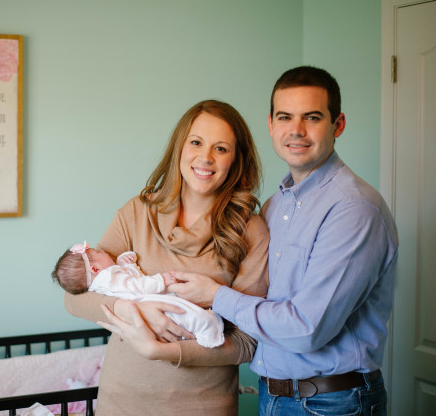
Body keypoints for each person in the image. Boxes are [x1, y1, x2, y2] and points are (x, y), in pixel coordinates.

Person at [158, 66, 398, 415]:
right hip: (272, 397)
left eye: (312, 117)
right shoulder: (274, 207)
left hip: (332, 402)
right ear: (271, 124)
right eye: (285, 117)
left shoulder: (353, 209)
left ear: (338, 124)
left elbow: (307, 330)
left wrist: (216, 296)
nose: (296, 131)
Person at [64, 99, 269, 415]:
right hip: (122, 401)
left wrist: (165, 350)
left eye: (221, 148)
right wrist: (134, 308)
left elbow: (246, 343)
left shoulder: (250, 231)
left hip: (203, 406)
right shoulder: (137, 212)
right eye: (196, 142)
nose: (205, 157)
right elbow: (74, 298)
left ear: (236, 160)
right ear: (180, 148)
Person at [52, 241, 226, 348]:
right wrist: (161, 280)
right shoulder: (107, 278)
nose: (103, 251)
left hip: (145, 310)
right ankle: (210, 332)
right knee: (184, 314)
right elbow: (136, 286)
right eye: (98, 253)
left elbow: (125, 282)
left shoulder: (105, 279)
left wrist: (123, 264)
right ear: (96, 269)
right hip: (148, 302)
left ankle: (206, 326)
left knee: (182, 314)